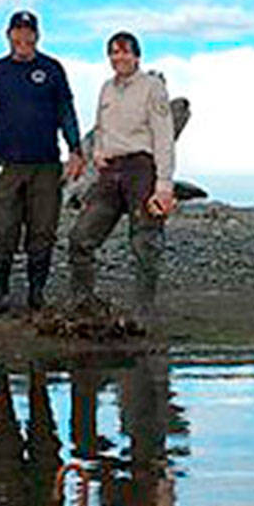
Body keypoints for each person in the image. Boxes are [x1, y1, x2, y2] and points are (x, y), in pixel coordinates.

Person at [68, 31, 176, 322]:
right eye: (114, 52)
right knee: (81, 238)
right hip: (110, 172)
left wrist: (164, 186)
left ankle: (144, 312)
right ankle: (83, 303)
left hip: (141, 168)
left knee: (144, 242)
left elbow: (164, 137)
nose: (119, 57)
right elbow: (101, 127)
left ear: (137, 56)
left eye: (125, 52)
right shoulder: (106, 88)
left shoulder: (152, 87)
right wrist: (99, 152)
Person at [0, 10, 84, 312]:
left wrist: (75, 148)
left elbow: (66, 109)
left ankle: (36, 292)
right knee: (3, 228)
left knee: (42, 229)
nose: (23, 38)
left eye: (29, 32)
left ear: (37, 36)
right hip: (7, 164)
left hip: (46, 164)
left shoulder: (51, 69)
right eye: (18, 32)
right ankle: (0, 291)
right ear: (8, 35)